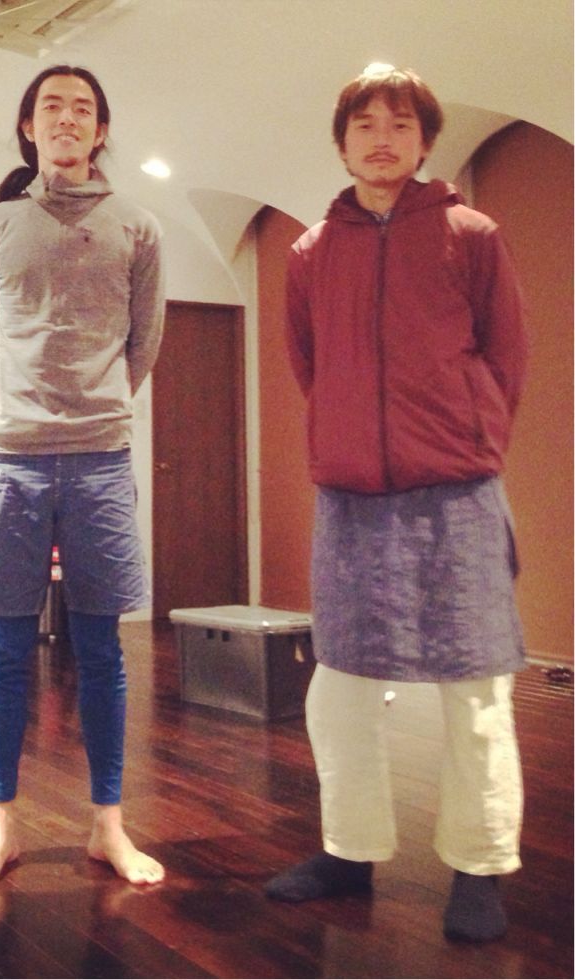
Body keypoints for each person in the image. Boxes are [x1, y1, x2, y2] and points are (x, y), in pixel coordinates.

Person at [264, 64, 527, 943]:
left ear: (424, 142)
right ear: (342, 144)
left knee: (476, 691)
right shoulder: (310, 253)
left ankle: (480, 865)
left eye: (401, 123)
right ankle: (348, 850)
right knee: (340, 688)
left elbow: (506, 355)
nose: (383, 138)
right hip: (351, 498)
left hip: (458, 490)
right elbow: (309, 364)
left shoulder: (471, 233)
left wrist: (469, 435)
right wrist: (347, 434)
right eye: (366, 124)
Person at [0, 65, 165, 890]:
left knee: (102, 648)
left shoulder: (138, 226)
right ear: (29, 127)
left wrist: (91, 405)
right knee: (5, 648)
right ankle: (0, 827)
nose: (67, 118)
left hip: (101, 457)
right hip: (10, 457)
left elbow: (144, 342)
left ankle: (107, 826)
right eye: (52, 106)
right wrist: (25, 405)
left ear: (100, 130)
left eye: (83, 108)